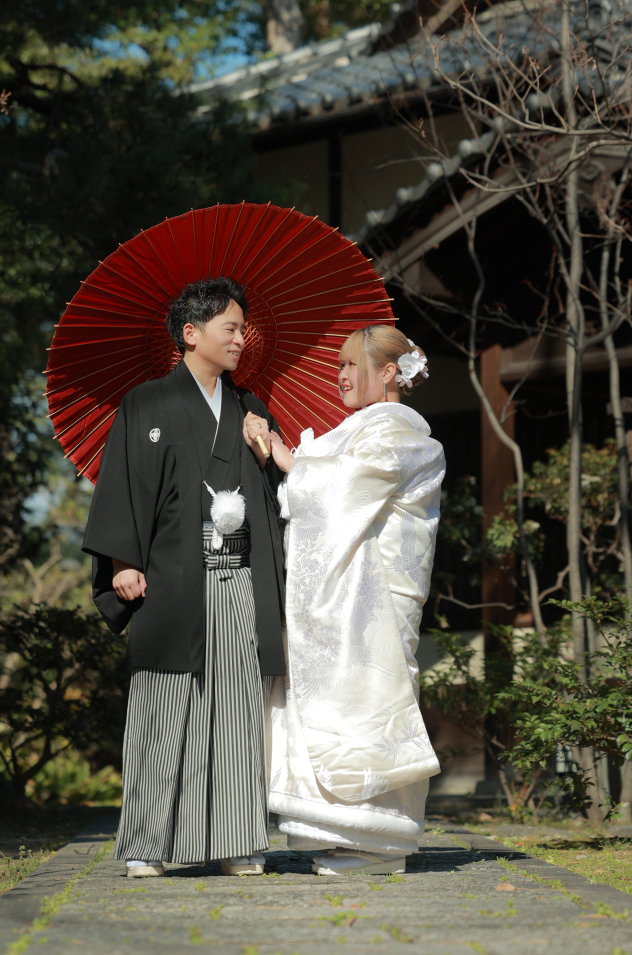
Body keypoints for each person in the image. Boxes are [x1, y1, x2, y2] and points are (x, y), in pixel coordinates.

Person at [82, 277, 286, 878]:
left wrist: (266, 451)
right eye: (231, 328)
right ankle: (146, 844)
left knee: (236, 709)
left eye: (244, 330)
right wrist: (122, 559)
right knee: (164, 705)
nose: (241, 340)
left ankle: (237, 840)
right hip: (172, 577)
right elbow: (122, 483)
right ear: (190, 333)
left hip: (239, 579)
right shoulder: (145, 403)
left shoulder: (250, 410)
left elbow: (275, 500)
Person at [266, 325, 445, 876]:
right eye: (338, 365)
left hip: (376, 594)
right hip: (351, 587)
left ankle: (380, 841)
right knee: (342, 697)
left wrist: (286, 460)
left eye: (351, 364)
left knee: (373, 696)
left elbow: (340, 492)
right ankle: (343, 835)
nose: (340, 375)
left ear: (389, 373)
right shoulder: (361, 430)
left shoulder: (404, 433)